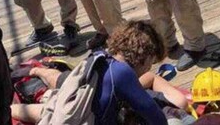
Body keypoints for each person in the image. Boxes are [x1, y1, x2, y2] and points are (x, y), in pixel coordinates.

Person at [10, 20, 170, 125]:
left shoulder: (101, 57)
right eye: (152, 62)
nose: (149, 68)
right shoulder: (123, 74)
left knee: (50, 108)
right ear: (146, 55)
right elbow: (156, 118)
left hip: (66, 111)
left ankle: (9, 109)